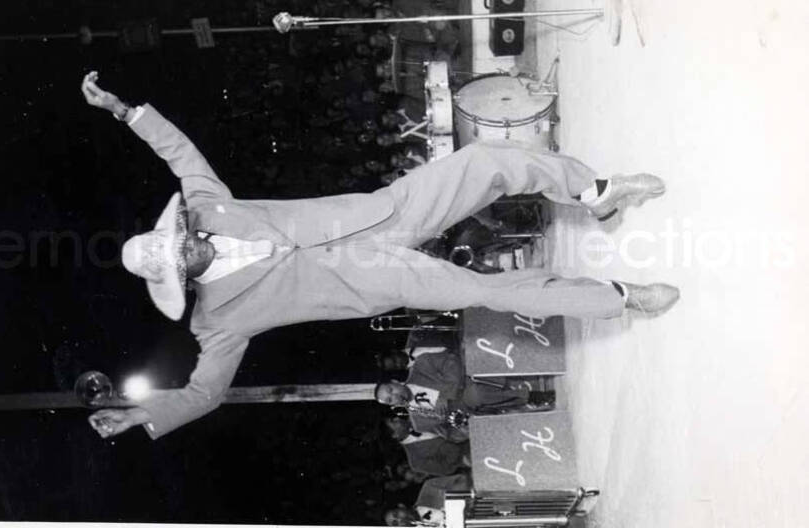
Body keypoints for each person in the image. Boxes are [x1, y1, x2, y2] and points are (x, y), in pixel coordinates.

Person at [80, 71, 679, 440]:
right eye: (176, 250)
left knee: (482, 164)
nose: (186, 238)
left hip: (383, 211)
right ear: (177, 275)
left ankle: (595, 193)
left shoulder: (209, 205)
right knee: (486, 291)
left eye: (176, 232)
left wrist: (124, 112)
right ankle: (620, 299)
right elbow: (204, 393)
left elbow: (181, 156)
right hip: (379, 279)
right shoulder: (219, 322)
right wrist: (147, 413)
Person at [374, 352, 554, 441]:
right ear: (393, 406)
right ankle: (539, 428)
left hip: (465, 385)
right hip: (468, 415)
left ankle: (532, 396)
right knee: (481, 430)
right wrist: (465, 429)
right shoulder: (419, 421)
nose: (394, 395)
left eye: (390, 390)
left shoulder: (421, 366)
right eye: (390, 399)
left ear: (395, 381)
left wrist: (446, 395)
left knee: (476, 395)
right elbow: (449, 434)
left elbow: (452, 361)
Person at [385, 417, 470, 476]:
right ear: (395, 435)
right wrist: (454, 449)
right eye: (394, 422)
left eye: (394, 418)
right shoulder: (416, 462)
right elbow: (447, 469)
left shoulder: (418, 418)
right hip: (469, 454)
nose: (397, 418)